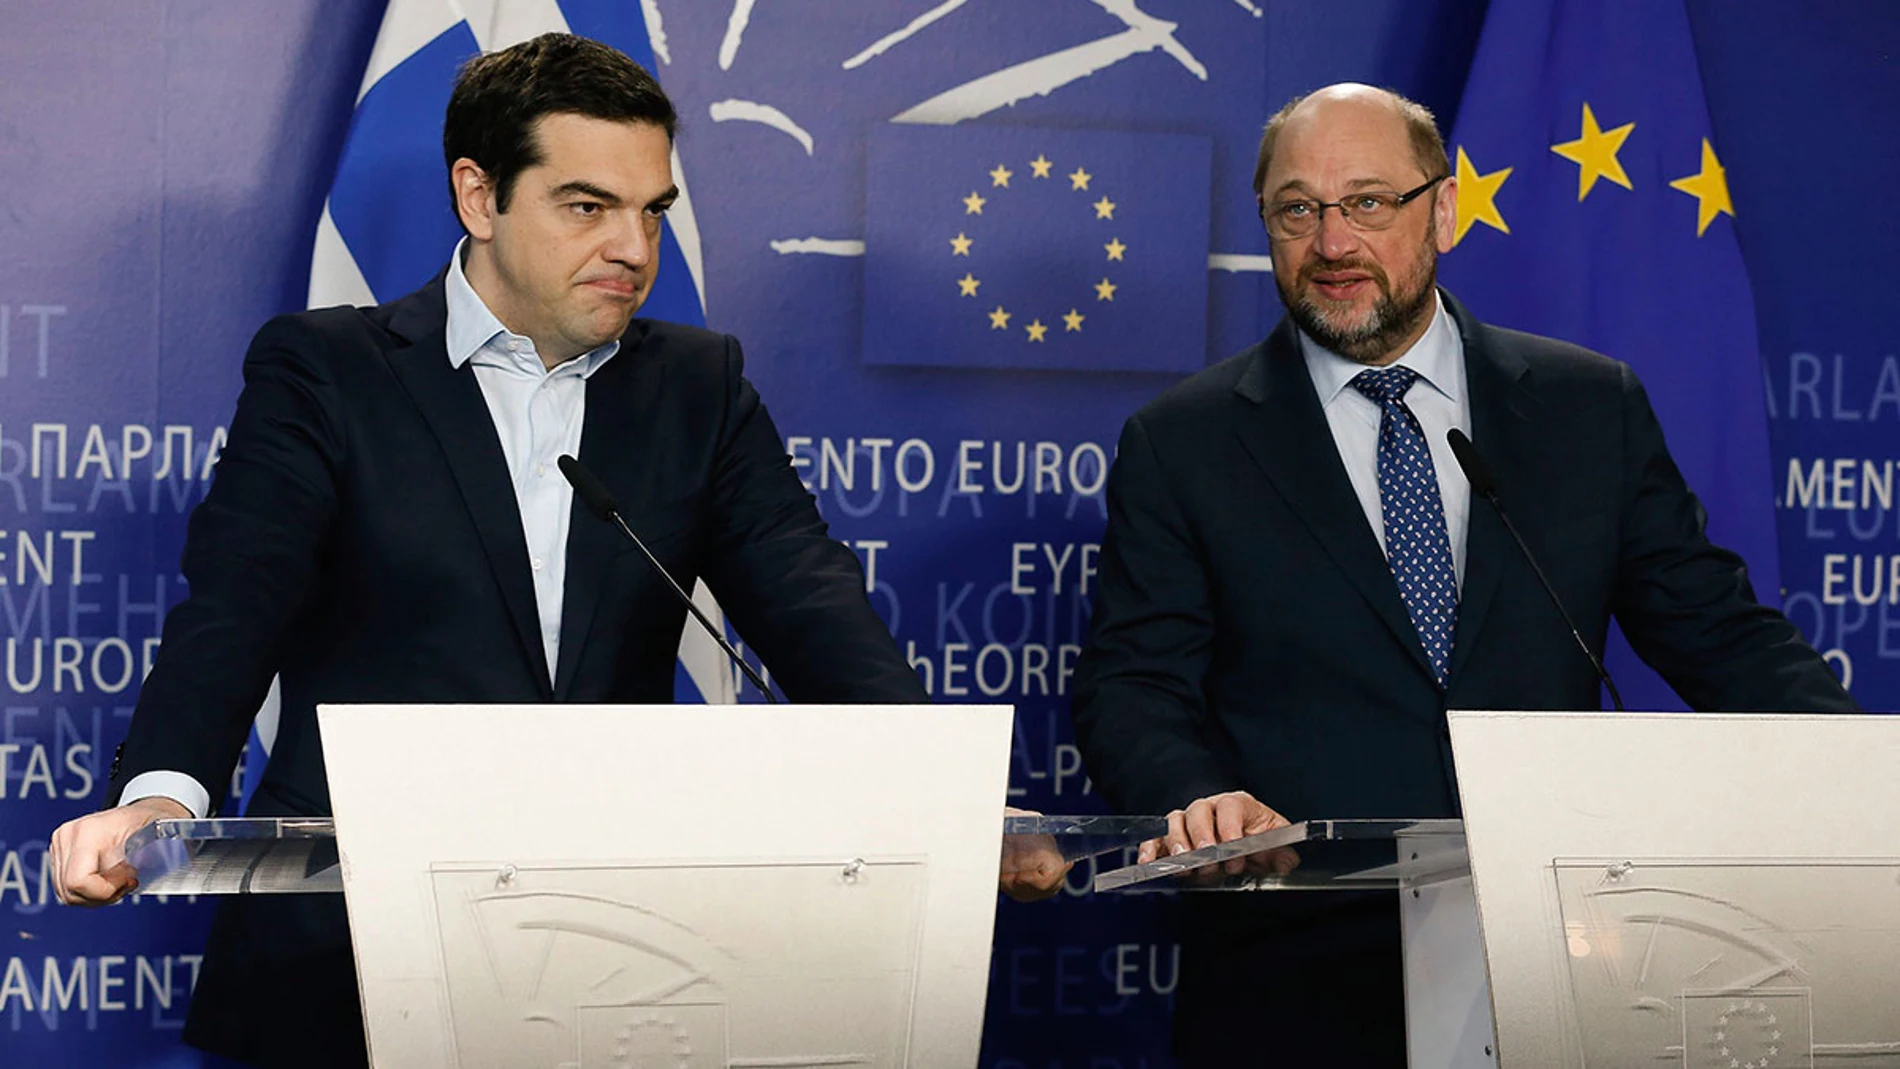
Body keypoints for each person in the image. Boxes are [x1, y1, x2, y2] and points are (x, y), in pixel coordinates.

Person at [46, 34, 1056, 1069]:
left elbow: (814, 606)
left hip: (618, 956)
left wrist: (950, 802)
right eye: (587, 206)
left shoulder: (696, 387)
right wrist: (161, 797)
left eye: (651, 211)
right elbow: (233, 609)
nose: (633, 248)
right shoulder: (328, 372)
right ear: (478, 197)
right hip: (350, 947)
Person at [1070, 83, 1857, 1065]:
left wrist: (1865, 776)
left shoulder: (1584, 408)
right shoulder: (1184, 441)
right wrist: (1197, 796)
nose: (1332, 242)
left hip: (1560, 959)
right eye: (1296, 210)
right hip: (1295, 971)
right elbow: (1131, 685)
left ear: (1441, 209)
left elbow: (1721, 636)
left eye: (1367, 202)